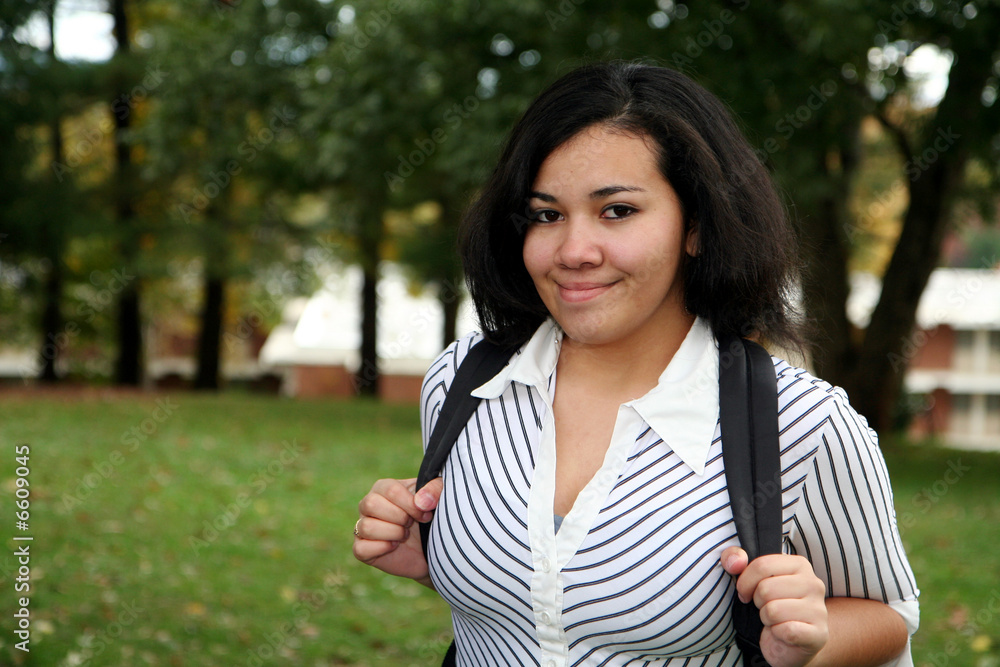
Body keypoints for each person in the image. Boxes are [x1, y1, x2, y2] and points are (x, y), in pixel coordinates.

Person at [353, 61, 919, 666]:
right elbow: (550, 607)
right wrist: (432, 560)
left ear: (695, 226)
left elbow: (890, 615)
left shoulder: (802, 422)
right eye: (546, 214)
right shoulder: (463, 381)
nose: (574, 251)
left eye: (617, 210)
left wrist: (804, 646)